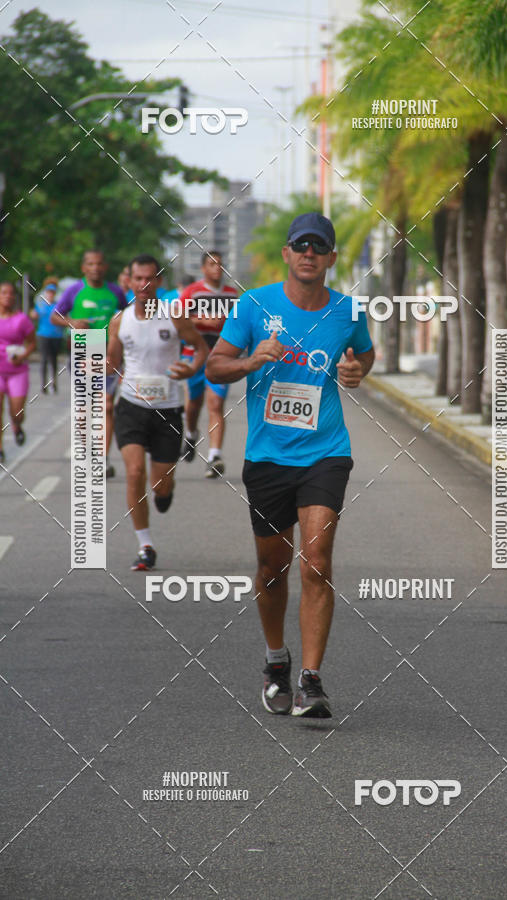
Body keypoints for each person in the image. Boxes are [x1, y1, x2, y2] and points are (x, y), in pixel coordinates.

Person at [206, 213, 374, 717]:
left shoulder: (348, 310)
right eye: (300, 244)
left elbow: (364, 357)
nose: (308, 253)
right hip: (267, 457)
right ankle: (277, 659)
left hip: (326, 452)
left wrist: (353, 371)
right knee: (271, 567)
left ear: (331, 258)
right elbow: (215, 364)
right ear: (286, 253)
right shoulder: (255, 304)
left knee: (317, 562)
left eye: (318, 247)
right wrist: (250, 361)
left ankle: (311, 681)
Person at [107, 254, 209, 571]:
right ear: (129, 281)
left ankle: (165, 492)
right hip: (132, 408)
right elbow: (112, 364)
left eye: (150, 279)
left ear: (159, 282)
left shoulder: (174, 316)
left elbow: (202, 348)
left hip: (167, 410)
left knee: (160, 488)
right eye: (138, 279)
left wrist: (190, 369)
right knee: (134, 472)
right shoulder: (120, 321)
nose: (143, 285)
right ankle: (145, 545)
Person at [51, 249, 127, 477]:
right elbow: (55, 316)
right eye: (91, 264)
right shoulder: (75, 290)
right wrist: (71, 321)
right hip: (84, 348)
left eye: (100, 263)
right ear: (84, 268)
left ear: (105, 267)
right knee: (85, 409)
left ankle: (103, 459)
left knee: (107, 405)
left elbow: (128, 316)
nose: (96, 268)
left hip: (108, 350)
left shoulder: (115, 292)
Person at [179, 251, 238, 477]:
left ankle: (214, 456)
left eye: (220, 265)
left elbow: (239, 323)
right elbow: (177, 317)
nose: (217, 269)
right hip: (193, 354)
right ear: (203, 269)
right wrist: (201, 320)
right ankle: (192, 435)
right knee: (193, 405)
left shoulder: (232, 294)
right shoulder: (192, 292)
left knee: (216, 403)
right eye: (212, 265)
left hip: (220, 356)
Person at [0, 282, 36, 462]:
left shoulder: (21, 319)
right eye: (4, 293)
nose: (8, 296)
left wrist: (22, 357)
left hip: (17, 371)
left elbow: (32, 343)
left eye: (11, 293)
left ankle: (17, 425)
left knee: (16, 412)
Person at [30, 278, 63, 393]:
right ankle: (43, 384)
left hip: (56, 335)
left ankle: (54, 382)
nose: (50, 294)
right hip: (43, 335)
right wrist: (33, 314)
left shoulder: (58, 306)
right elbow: (34, 314)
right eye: (48, 292)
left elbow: (64, 317)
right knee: (44, 359)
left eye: (52, 292)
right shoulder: (41, 304)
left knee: (53, 360)